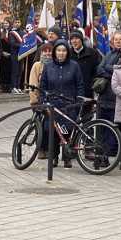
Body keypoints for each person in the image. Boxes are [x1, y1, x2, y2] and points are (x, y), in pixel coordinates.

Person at [40, 39, 84, 168]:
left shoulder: (74, 66)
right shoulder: (48, 66)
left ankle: (67, 157)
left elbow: (80, 84)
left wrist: (78, 100)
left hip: (69, 105)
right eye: (59, 50)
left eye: (64, 50)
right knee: (53, 132)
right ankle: (53, 156)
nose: (61, 53)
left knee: (67, 132)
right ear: (55, 52)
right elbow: (43, 86)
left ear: (67, 52)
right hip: (53, 105)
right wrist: (43, 100)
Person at [95, 31, 121, 158]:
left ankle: (112, 151)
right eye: (115, 39)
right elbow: (99, 69)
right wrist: (112, 73)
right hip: (104, 96)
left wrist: (109, 70)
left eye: (120, 39)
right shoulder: (109, 54)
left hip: (116, 97)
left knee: (114, 126)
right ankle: (103, 151)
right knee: (103, 125)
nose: (118, 42)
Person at [29, 42, 53, 159]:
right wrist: (35, 101)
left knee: (50, 128)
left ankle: (50, 149)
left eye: (50, 51)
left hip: (52, 102)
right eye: (45, 51)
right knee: (40, 127)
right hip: (39, 102)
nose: (47, 54)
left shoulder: (55, 65)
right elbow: (33, 84)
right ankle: (41, 149)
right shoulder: (37, 66)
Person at [69, 30, 101, 98]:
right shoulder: (68, 54)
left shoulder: (92, 53)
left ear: (81, 40)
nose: (74, 41)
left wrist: (93, 84)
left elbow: (98, 70)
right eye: (72, 39)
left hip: (88, 91)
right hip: (72, 91)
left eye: (76, 38)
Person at [8, 18, 24, 94]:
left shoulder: (22, 32)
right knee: (15, 71)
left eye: (18, 22)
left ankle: (18, 86)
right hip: (14, 54)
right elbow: (12, 43)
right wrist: (22, 45)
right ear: (13, 24)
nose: (17, 23)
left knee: (20, 71)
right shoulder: (11, 33)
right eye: (16, 22)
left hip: (21, 54)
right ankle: (13, 87)